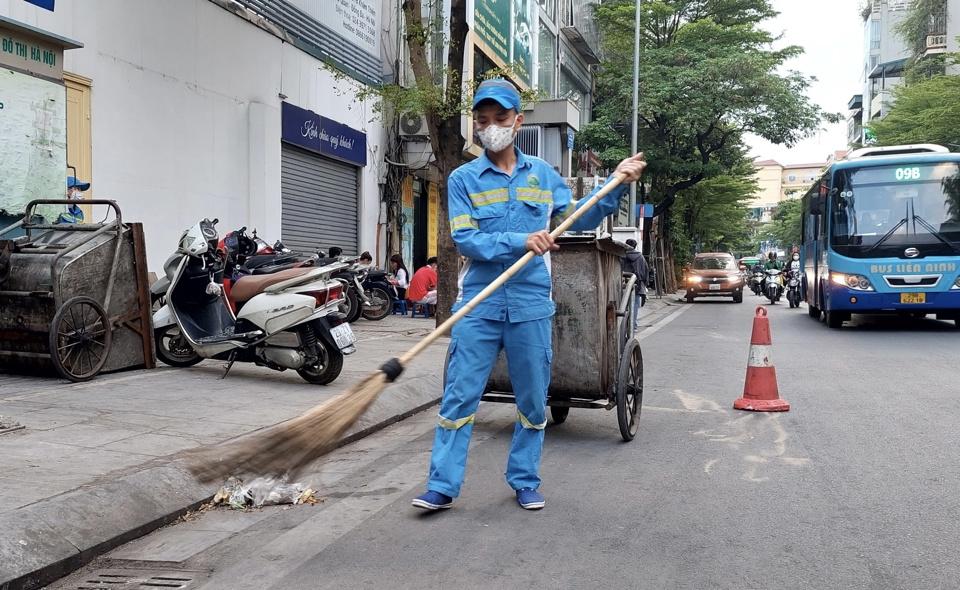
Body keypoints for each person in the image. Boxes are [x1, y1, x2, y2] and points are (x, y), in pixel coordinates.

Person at [411, 78, 647, 512]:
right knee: (459, 396)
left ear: (517, 122)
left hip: (531, 303)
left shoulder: (542, 175)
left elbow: (578, 215)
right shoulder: (463, 179)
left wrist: (615, 184)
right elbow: (466, 240)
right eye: (482, 120)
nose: (490, 126)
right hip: (480, 303)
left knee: (533, 397)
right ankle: (442, 485)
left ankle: (525, 479)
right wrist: (520, 241)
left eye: (500, 118)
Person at [621, 239, 648, 331]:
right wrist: (645, 283)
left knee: (622, 306)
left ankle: (622, 327)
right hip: (637, 285)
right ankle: (633, 326)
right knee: (634, 306)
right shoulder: (640, 257)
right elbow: (645, 271)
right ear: (635, 246)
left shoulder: (621, 255)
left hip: (623, 284)